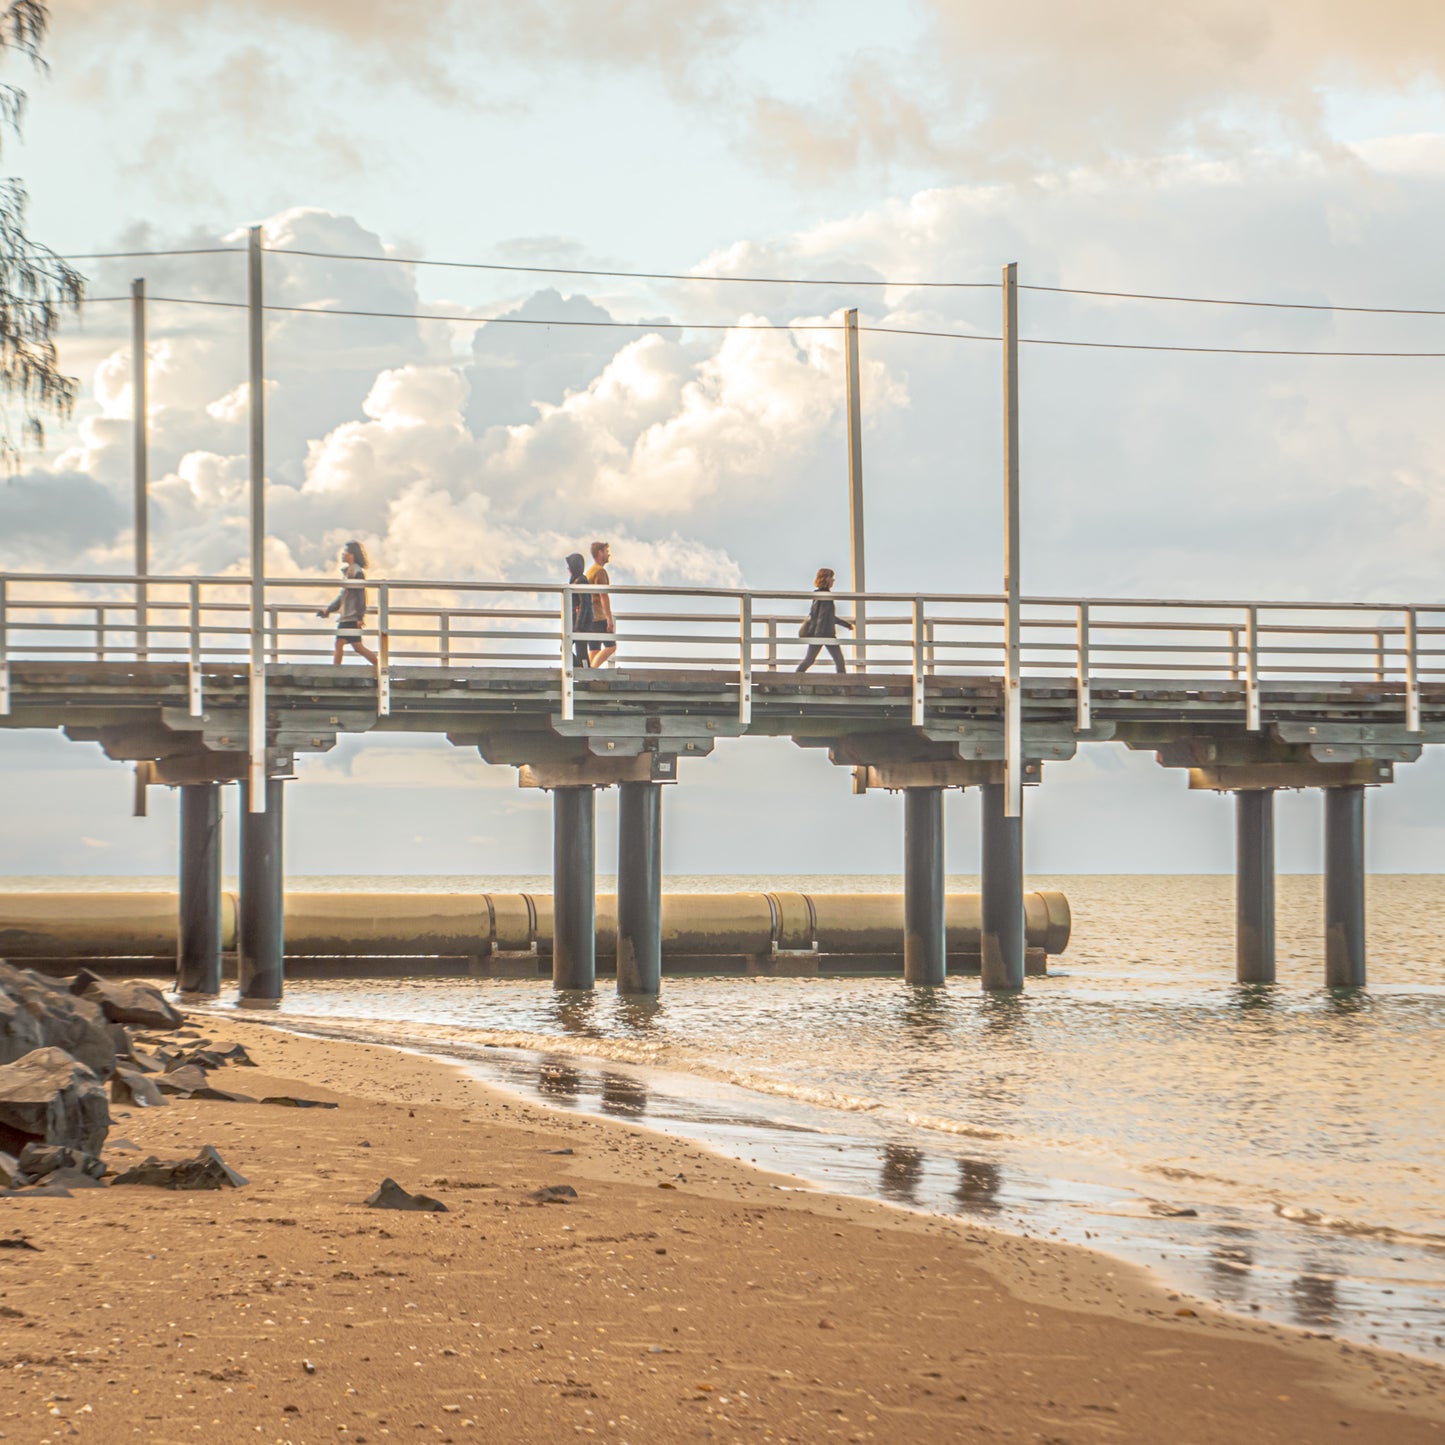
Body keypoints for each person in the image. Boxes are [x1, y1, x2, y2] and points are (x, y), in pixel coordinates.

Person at [317, 540, 377, 665]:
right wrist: (328, 610)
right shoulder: (349, 572)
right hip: (348, 616)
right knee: (356, 646)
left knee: (341, 643)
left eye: (346, 552)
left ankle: (335, 671)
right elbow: (343, 597)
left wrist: (360, 616)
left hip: (351, 616)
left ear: (352, 554)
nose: (343, 554)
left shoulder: (356, 572)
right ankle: (380, 666)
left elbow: (361, 594)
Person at [796, 566, 853, 674]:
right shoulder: (826, 595)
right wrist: (847, 625)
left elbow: (817, 615)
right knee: (839, 661)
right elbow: (828, 616)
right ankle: (843, 685)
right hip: (826, 633)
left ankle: (794, 680)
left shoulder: (817, 594)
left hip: (819, 633)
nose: (833, 580)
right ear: (826, 578)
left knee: (809, 660)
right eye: (832, 577)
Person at [585, 540, 617, 667]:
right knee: (611, 646)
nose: (608, 555)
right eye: (606, 552)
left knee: (594, 650)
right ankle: (591, 671)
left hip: (590, 616)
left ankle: (589, 673)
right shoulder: (600, 572)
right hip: (598, 615)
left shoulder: (590, 571)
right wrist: (609, 619)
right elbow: (603, 595)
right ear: (600, 552)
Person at [566, 552, 594, 669]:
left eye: (570, 566)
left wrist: (578, 625)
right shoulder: (576, 580)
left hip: (581, 622)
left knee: (580, 650)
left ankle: (586, 672)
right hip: (578, 621)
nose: (568, 568)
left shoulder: (580, 580)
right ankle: (582, 670)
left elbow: (584, 603)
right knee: (569, 648)